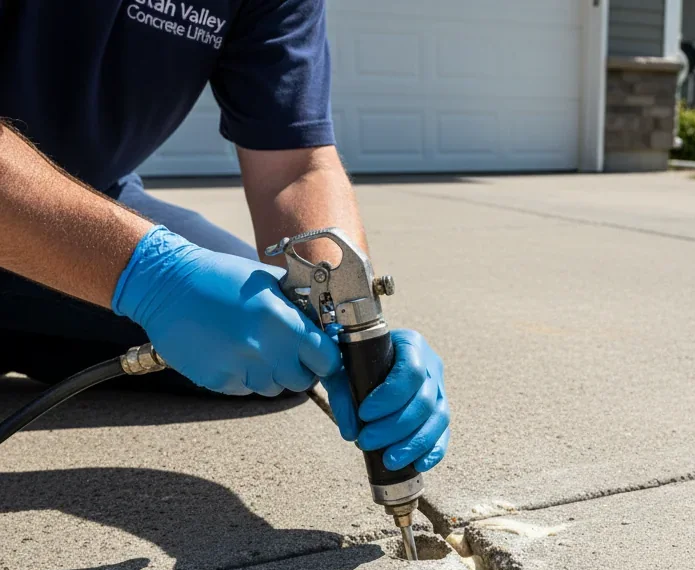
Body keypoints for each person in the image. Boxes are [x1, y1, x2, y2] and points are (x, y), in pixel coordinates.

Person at [0, 0, 449, 474]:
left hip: (95, 198)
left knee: (278, 341)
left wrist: (341, 320)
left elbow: (294, 167)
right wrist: (152, 276)